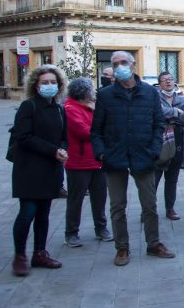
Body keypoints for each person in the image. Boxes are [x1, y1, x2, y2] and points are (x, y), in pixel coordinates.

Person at [91, 51, 175, 266]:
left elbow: (159, 123)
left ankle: (153, 243)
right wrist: (101, 152)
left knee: (150, 204)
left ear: (133, 64)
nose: (120, 66)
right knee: (118, 206)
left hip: (143, 156)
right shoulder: (106, 94)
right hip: (115, 157)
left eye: (123, 62)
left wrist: (155, 149)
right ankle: (122, 248)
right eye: (115, 63)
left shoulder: (149, 92)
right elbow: (96, 129)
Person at [9, 65, 68, 276]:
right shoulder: (29, 106)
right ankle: (20, 255)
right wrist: (54, 151)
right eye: (45, 82)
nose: (49, 86)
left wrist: (62, 149)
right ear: (36, 85)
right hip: (29, 168)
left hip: (50, 168)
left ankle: (40, 253)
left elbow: (64, 136)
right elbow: (23, 137)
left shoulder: (59, 108)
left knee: (43, 213)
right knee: (28, 212)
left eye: (53, 82)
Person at [64, 77, 111, 248]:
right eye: (91, 89)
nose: (94, 92)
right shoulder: (70, 109)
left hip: (97, 159)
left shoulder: (92, 107)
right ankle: (71, 233)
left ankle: (101, 228)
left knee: (100, 197)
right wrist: (102, 129)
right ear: (83, 92)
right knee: (76, 199)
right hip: (78, 162)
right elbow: (85, 132)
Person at [153, 72, 184, 221]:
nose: (168, 82)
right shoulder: (155, 97)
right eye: (164, 80)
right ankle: (148, 210)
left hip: (177, 142)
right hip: (160, 143)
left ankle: (170, 209)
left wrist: (172, 118)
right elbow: (156, 113)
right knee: (154, 180)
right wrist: (176, 112)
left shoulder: (180, 98)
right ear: (159, 84)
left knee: (172, 179)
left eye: (170, 79)